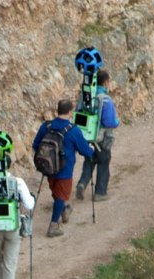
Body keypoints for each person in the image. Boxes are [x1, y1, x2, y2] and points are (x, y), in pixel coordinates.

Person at [32, 99, 94, 237]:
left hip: (48, 167)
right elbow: (84, 151)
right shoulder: (73, 130)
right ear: (70, 111)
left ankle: (64, 209)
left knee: (57, 192)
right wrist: (92, 151)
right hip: (64, 170)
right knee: (61, 195)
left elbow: (36, 145)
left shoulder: (46, 126)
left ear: (57, 110)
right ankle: (54, 225)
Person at [75, 69, 120, 202]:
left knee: (89, 160)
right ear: (106, 82)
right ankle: (100, 193)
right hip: (102, 138)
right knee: (103, 162)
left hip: (87, 137)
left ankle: (82, 184)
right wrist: (117, 122)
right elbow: (109, 122)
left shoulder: (85, 97)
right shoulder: (106, 100)